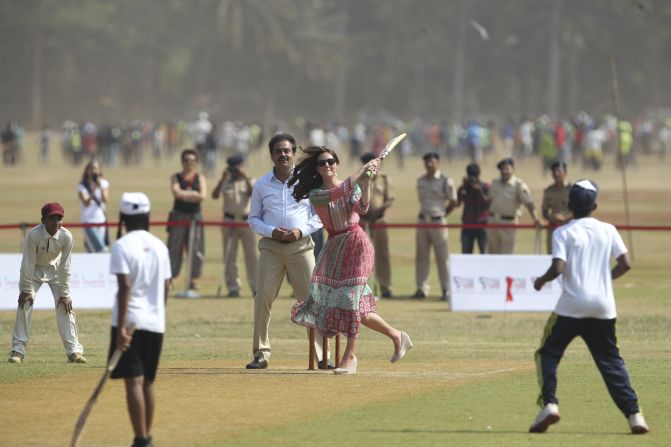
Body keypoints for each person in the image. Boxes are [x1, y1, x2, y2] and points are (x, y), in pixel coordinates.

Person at [530, 180, 649, 435]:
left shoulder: (563, 232)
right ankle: (634, 415)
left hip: (572, 306)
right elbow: (626, 263)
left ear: (569, 204)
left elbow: (559, 267)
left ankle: (550, 404)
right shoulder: (608, 229)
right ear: (594, 205)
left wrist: (541, 280)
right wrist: (606, 278)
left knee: (547, 353)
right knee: (611, 362)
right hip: (603, 308)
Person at [289, 146, 413, 374]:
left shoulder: (350, 185)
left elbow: (362, 208)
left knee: (351, 298)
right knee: (356, 307)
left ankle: (350, 356)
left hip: (358, 244)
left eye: (330, 161)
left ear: (337, 164)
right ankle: (397, 336)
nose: (327, 165)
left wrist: (366, 182)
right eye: (322, 163)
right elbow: (338, 193)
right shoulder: (317, 194)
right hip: (335, 247)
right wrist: (363, 169)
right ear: (316, 169)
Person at [246, 133, 324, 369]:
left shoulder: (306, 181)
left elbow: (319, 217)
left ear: (293, 154)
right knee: (263, 298)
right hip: (271, 247)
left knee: (311, 300)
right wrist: (272, 231)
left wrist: (299, 231)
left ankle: (322, 355)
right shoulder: (261, 184)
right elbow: (253, 219)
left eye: (287, 150)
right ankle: (261, 354)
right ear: (271, 155)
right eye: (278, 151)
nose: (283, 155)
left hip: (301, 247)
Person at [110, 192, 172, 447]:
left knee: (133, 382)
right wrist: (158, 312)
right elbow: (167, 286)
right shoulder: (160, 245)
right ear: (146, 216)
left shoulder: (122, 245)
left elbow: (124, 288)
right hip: (155, 322)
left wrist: (123, 330)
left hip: (129, 321)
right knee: (148, 381)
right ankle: (146, 438)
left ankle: (140, 439)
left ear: (123, 217)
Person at [7, 203, 86, 364]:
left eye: (59, 218)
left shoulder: (66, 236)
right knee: (25, 304)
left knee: (66, 306)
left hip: (56, 272)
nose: (57, 222)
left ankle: (74, 351)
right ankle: (18, 351)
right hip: (34, 272)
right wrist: (27, 290)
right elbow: (27, 263)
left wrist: (65, 294)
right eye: (52, 218)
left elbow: (66, 266)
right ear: (43, 220)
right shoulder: (33, 235)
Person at [411, 152, 457, 301]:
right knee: (421, 256)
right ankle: (421, 288)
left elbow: (453, 201)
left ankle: (446, 289)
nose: (429, 164)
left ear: (438, 163)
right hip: (423, 220)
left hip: (438, 221)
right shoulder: (421, 181)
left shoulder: (445, 181)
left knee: (442, 257)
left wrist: (443, 214)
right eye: (427, 162)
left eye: (432, 161)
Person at [211, 154, 257, 297]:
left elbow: (253, 193)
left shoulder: (249, 180)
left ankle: (256, 287)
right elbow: (214, 195)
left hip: (245, 222)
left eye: (237, 168)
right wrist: (222, 179)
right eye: (232, 168)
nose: (235, 171)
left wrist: (244, 176)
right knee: (230, 256)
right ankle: (233, 287)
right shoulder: (226, 181)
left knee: (252, 256)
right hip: (229, 221)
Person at [167, 149, 206, 291]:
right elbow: (176, 192)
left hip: (195, 216)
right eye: (186, 160)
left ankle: (193, 279)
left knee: (196, 248)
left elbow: (202, 196)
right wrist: (193, 194)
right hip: (179, 215)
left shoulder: (199, 177)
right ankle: (170, 277)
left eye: (192, 161)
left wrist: (185, 194)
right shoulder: (175, 177)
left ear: (195, 163)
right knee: (174, 247)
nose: (189, 163)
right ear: (182, 162)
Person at [358, 152, 395, 298]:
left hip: (379, 220)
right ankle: (362, 287)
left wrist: (378, 210)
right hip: (363, 221)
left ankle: (386, 287)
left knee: (382, 254)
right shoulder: (358, 179)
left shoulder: (384, 179)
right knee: (362, 256)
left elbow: (389, 199)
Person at [487, 158, 542, 254]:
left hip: (508, 224)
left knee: (506, 255)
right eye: (502, 169)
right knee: (492, 255)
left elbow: (529, 202)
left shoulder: (518, 185)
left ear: (513, 169)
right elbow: (489, 200)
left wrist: (535, 218)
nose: (504, 172)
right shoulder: (495, 183)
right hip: (493, 223)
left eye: (506, 169)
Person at [456, 162, 490, 254]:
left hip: (482, 224)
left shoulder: (485, 187)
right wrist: (463, 189)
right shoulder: (465, 187)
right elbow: (458, 203)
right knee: (466, 253)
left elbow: (488, 204)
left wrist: (479, 191)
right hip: (468, 224)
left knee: (484, 253)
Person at [77, 159, 110, 253]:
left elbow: (105, 200)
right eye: (91, 168)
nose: (94, 171)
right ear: (87, 171)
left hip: (101, 220)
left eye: (96, 168)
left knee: (90, 250)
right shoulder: (82, 186)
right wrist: (94, 188)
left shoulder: (103, 183)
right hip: (88, 221)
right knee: (100, 249)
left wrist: (100, 186)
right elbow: (86, 203)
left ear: (99, 170)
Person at [541, 161, 572, 254]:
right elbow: (544, 211)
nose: (556, 174)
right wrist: (552, 217)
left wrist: (566, 218)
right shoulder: (549, 191)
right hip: (553, 229)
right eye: (554, 172)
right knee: (552, 256)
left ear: (565, 173)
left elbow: (580, 210)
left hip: (570, 228)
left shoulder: (573, 190)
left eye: (559, 171)